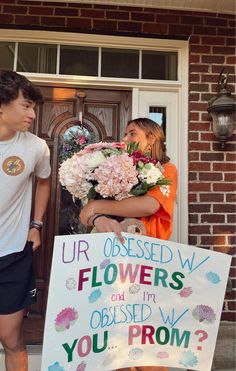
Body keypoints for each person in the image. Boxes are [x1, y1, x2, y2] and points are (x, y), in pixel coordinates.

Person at [80, 117, 177, 371]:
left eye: (132, 134)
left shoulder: (167, 171)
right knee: (116, 351)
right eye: (125, 134)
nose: (125, 140)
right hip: (112, 268)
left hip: (147, 268)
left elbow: (149, 205)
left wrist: (97, 207)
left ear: (152, 138)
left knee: (149, 352)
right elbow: (84, 215)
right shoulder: (114, 170)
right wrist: (98, 216)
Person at [0, 70, 51, 371]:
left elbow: (43, 181)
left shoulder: (35, 147)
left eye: (34, 106)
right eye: (26, 105)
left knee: (11, 339)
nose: (32, 114)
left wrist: (37, 225)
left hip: (12, 253)